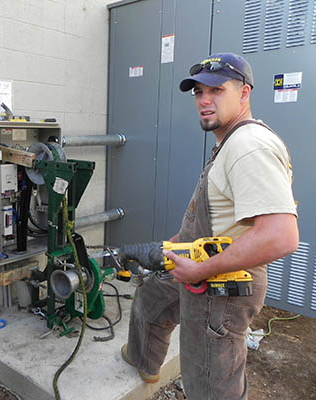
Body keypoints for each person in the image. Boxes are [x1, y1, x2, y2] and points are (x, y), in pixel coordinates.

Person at [120, 53, 299, 399]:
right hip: (199, 262)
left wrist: (200, 269)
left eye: (216, 90)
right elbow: (219, 215)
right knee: (151, 298)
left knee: (209, 378)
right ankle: (145, 362)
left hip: (222, 287)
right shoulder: (229, 142)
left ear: (244, 93)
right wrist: (175, 245)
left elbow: (280, 235)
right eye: (199, 92)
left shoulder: (249, 146)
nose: (204, 101)